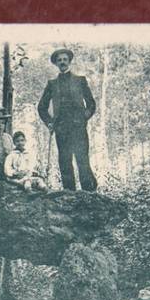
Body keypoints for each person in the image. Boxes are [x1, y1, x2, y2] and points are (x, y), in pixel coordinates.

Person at [37, 47, 98, 192]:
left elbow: (91, 104)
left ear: (69, 61)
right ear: (56, 64)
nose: (62, 62)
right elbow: (41, 108)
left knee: (82, 159)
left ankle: (89, 192)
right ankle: (69, 194)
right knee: (64, 161)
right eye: (59, 60)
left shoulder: (80, 80)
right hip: (61, 128)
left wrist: (84, 117)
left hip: (78, 127)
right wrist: (50, 123)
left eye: (65, 59)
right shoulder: (52, 84)